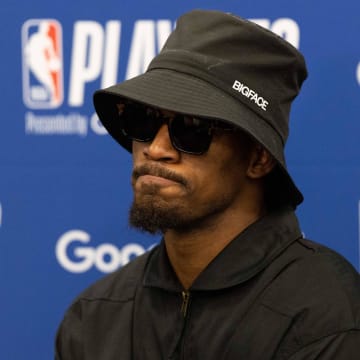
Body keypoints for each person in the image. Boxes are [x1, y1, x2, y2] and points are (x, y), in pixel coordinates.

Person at [55, 9, 360, 359]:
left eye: (191, 129)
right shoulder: (96, 317)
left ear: (258, 158)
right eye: (142, 121)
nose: (156, 148)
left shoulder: (324, 317)